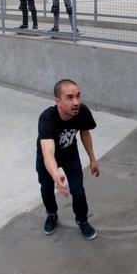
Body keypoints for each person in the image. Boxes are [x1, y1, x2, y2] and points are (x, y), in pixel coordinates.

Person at [36, 79, 100, 239]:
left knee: (78, 191)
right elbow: (48, 152)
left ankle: (82, 221)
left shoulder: (82, 112)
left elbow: (85, 133)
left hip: (70, 155)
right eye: (70, 97)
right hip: (47, 160)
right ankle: (51, 214)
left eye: (78, 96)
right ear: (58, 101)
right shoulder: (47, 118)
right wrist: (55, 174)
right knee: (47, 189)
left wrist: (92, 159)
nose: (76, 102)